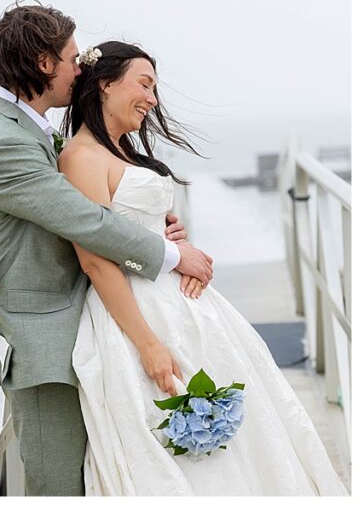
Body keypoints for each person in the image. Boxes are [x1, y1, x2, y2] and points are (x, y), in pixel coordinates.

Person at [60, 40, 346, 495]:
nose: (153, 99)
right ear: (105, 85)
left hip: (180, 303)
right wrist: (149, 345)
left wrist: (169, 235)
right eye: (145, 84)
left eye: (155, 88)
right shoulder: (80, 157)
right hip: (136, 315)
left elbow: (131, 228)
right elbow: (95, 258)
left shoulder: (125, 151)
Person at [0, 0, 215, 496]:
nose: (81, 68)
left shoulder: (30, 131)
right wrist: (174, 257)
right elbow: (84, 220)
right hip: (43, 343)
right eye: (73, 59)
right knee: (60, 486)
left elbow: (94, 212)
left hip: (83, 325)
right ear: (43, 63)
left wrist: (152, 230)